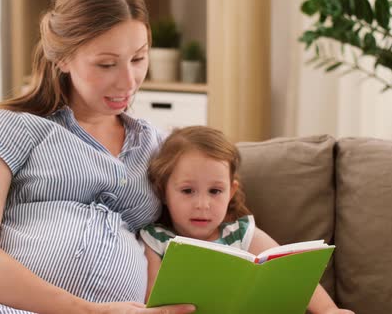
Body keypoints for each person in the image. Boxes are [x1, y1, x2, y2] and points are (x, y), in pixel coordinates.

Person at [0, 0, 197, 313]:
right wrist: (89, 311)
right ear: (63, 58)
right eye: (106, 64)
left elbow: (218, 216)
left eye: (138, 58)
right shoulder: (12, 127)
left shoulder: (158, 148)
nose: (129, 81)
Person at [141, 126, 355, 314]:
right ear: (163, 191)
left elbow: (293, 273)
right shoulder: (156, 239)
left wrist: (329, 309)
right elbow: (152, 301)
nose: (203, 204)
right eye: (188, 191)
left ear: (231, 191)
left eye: (215, 191)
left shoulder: (241, 232)